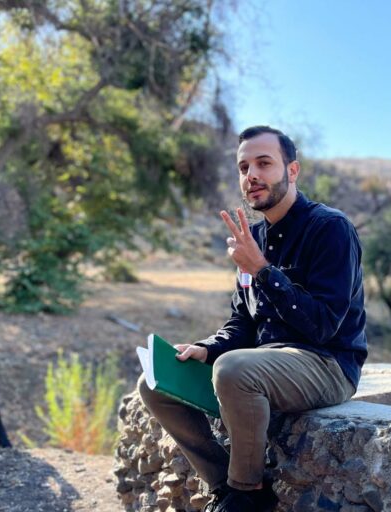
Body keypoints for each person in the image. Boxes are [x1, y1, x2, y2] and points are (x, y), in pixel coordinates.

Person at [137, 125, 367, 512]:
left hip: (326, 365)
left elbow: (325, 324)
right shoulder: (253, 238)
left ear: (292, 171)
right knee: (154, 383)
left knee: (232, 370)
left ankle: (245, 493)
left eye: (264, 163)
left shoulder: (330, 228)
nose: (252, 176)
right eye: (244, 167)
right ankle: (226, 488)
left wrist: (262, 270)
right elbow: (242, 323)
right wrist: (206, 348)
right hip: (261, 365)